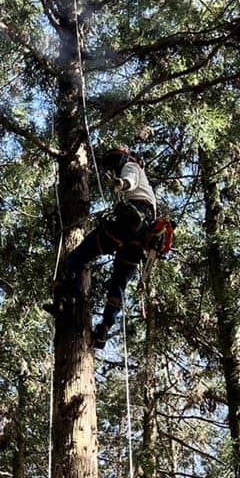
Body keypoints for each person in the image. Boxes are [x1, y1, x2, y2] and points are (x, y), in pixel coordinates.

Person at [49, 145, 157, 346]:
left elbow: (129, 180)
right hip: (141, 238)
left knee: (80, 255)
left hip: (130, 223)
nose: (116, 167)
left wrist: (121, 183)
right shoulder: (149, 190)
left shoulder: (131, 166)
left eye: (116, 163)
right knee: (119, 283)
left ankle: (68, 296)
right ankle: (104, 328)